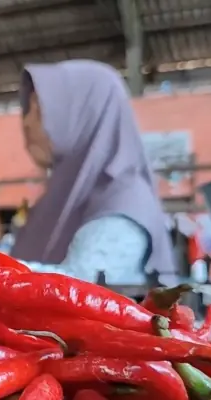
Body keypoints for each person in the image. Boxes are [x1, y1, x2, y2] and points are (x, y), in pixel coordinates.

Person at [10, 60, 177, 285]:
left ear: (87, 115)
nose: (27, 123)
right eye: (28, 111)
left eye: (39, 111)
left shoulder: (124, 202)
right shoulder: (59, 199)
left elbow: (79, 288)